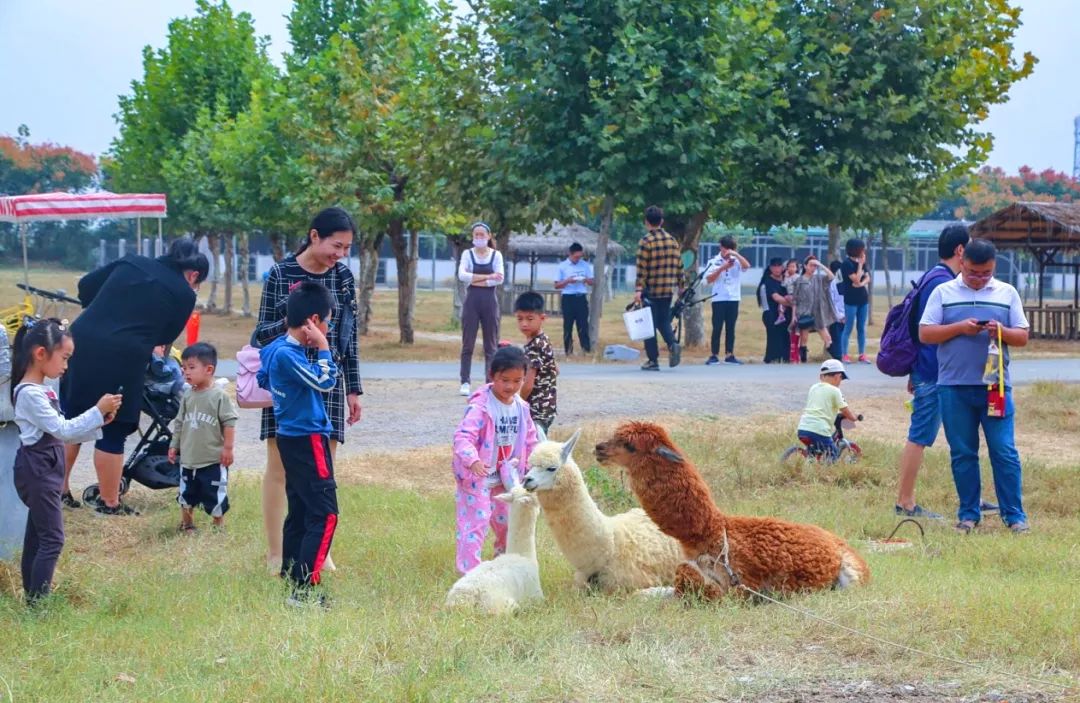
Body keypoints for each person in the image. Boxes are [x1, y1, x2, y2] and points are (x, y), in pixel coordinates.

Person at [61, 238, 208, 516]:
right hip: (123, 356)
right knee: (113, 427)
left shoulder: (131, 261)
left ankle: (60, 492)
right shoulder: (184, 293)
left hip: (80, 342)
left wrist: (108, 311)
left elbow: (85, 288)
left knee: (73, 420)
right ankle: (109, 503)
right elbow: (164, 338)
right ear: (194, 275)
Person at [255, 207, 361, 574]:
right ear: (315, 236)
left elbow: (349, 333)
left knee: (323, 469)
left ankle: (319, 550)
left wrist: (354, 388)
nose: (341, 254)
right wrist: (300, 331)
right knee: (280, 467)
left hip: (327, 378)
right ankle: (276, 552)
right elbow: (261, 333)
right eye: (337, 245)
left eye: (347, 248)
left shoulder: (344, 277)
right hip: (290, 379)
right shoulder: (281, 274)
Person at [919, 238, 1031, 535]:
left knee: (1004, 451)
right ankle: (968, 514)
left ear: (994, 267)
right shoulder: (943, 292)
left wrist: (1001, 331)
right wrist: (960, 328)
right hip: (953, 386)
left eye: (986, 273)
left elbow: (1021, 336)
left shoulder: (1007, 293)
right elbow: (926, 333)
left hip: (995, 388)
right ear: (962, 262)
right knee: (963, 452)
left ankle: (1015, 516)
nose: (980, 279)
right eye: (972, 273)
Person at [11, 319, 121, 604]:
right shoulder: (29, 393)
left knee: (37, 537)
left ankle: (32, 597)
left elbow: (63, 428)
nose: (66, 366)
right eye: (64, 357)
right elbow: (63, 431)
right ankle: (39, 604)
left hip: (45, 470)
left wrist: (100, 420)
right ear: (40, 354)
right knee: (53, 539)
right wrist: (97, 411)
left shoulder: (43, 389)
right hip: (37, 472)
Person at [257, 282, 340, 606]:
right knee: (326, 514)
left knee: (303, 509)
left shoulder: (275, 349)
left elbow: (263, 377)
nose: (328, 329)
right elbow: (326, 381)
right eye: (327, 324)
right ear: (314, 321)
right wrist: (322, 348)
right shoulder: (289, 356)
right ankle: (305, 588)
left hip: (292, 438)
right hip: (308, 439)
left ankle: (292, 574)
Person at [894, 225, 970, 520]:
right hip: (935, 372)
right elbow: (927, 331)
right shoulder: (941, 283)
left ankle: (970, 497)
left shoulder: (933, 277)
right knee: (920, 436)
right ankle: (905, 502)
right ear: (960, 250)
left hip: (929, 371)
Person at [451, 345, 539, 573]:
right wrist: (473, 460)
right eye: (504, 380)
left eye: (517, 381)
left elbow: (530, 440)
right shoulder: (481, 406)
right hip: (477, 477)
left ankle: (502, 565)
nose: (510, 387)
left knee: (507, 523)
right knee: (475, 524)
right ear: (492, 375)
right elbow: (462, 436)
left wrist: (531, 467)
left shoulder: (522, 408)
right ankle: (469, 573)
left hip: (506, 478)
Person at [167, 343, 237, 533]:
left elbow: (229, 423)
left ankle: (218, 524)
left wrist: (228, 449)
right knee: (186, 492)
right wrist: (174, 445)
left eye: (191, 367)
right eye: (184, 368)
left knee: (215, 492)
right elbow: (180, 422)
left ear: (209, 369)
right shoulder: (187, 396)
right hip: (189, 458)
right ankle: (187, 524)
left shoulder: (219, 396)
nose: (186, 372)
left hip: (212, 459)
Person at [458, 222, 505, 396]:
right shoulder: (467, 254)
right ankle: (465, 380)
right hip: (472, 300)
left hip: (489, 301)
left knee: (491, 345)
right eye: (475, 235)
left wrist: (475, 278)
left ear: (489, 236)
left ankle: (490, 380)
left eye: (482, 235)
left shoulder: (496, 255)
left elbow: (499, 279)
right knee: (467, 342)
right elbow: (463, 276)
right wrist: (487, 276)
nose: (479, 238)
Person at [634, 205, 682, 371]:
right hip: (667, 290)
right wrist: (681, 286)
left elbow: (641, 269)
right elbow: (679, 266)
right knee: (663, 321)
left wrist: (638, 290)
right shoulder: (673, 241)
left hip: (651, 290)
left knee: (648, 327)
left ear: (646, 222)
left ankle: (653, 360)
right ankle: (672, 344)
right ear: (662, 221)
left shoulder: (645, 241)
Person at [796, 359, 859, 461]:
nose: (840, 382)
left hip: (803, 428)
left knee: (814, 450)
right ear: (837, 376)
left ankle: (811, 463)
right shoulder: (835, 391)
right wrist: (854, 418)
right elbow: (845, 410)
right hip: (819, 430)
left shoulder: (813, 387)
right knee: (832, 453)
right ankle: (828, 474)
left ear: (821, 376)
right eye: (841, 379)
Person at [514, 292, 558, 437]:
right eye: (520, 319)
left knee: (537, 450)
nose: (524, 323)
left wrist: (518, 402)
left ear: (542, 318)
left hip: (537, 409)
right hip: (548, 407)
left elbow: (528, 383)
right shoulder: (544, 339)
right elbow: (555, 369)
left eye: (530, 319)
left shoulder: (534, 346)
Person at [704, 236, 751, 366]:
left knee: (731, 327)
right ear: (721, 248)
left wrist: (735, 255)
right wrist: (722, 267)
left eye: (731, 249)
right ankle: (714, 355)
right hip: (719, 297)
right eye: (726, 249)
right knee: (717, 327)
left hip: (733, 298)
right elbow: (709, 279)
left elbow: (747, 266)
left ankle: (729, 354)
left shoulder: (737, 261)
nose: (727, 252)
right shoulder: (714, 261)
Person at [788, 255, 836, 363]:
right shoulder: (799, 281)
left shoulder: (819, 279)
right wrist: (794, 316)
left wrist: (820, 265)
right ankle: (803, 358)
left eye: (815, 266)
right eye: (811, 265)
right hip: (804, 312)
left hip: (818, 312)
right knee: (804, 338)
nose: (813, 268)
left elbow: (832, 277)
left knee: (827, 338)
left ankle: (832, 358)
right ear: (805, 266)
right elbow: (795, 300)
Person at [554, 242, 594, 356]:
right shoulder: (562, 266)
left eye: (580, 257)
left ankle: (586, 350)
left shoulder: (585, 265)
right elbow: (556, 285)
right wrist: (568, 281)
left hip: (581, 297)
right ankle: (568, 351)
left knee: (583, 325)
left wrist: (586, 279)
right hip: (568, 297)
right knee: (568, 325)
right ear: (570, 254)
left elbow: (592, 282)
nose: (578, 259)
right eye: (576, 257)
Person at [839, 239, 872, 364]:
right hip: (851, 300)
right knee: (848, 327)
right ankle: (845, 355)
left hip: (863, 298)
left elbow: (867, 278)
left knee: (861, 328)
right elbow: (856, 279)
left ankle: (862, 354)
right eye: (862, 249)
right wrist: (859, 266)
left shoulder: (863, 262)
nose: (864, 251)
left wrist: (861, 284)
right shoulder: (846, 264)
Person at [757, 258, 790, 364]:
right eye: (774, 267)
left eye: (779, 266)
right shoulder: (768, 282)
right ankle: (771, 358)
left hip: (785, 314)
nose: (777, 269)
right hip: (771, 314)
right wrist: (794, 304)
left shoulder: (786, 280)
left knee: (785, 336)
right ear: (770, 268)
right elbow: (777, 298)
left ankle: (785, 357)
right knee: (774, 336)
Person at [827, 261, 846, 360]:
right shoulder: (833, 283)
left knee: (840, 336)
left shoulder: (841, 282)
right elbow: (832, 302)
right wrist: (840, 316)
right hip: (836, 316)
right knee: (837, 336)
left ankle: (838, 353)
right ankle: (838, 356)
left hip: (843, 315)